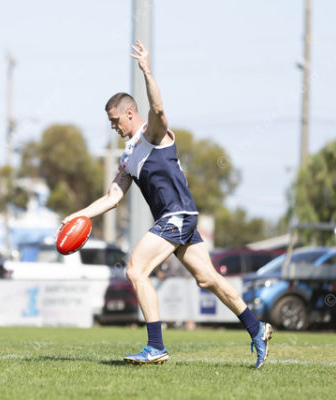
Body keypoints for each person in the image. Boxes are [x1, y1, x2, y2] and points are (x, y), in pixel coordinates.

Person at [59, 41, 272, 369]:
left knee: (135, 270)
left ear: (130, 113)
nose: (113, 126)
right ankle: (258, 330)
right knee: (207, 279)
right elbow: (112, 197)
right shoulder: (129, 156)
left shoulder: (152, 135)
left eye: (115, 120)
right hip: (178, 218)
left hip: (177, 215)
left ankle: (156, 346)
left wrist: (146, 70)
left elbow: (158, 110)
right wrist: (77, 215)